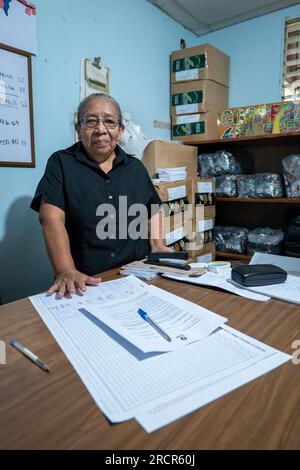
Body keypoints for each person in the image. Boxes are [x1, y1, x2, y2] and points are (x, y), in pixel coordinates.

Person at [31, 93, 171, 297]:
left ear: (120, 130)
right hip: (85, 281)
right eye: (90, 122)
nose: (100, 130)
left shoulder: (136, 168)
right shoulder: (61, 163)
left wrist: (158, 244)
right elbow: (51, 217)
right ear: (78, 129)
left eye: (109, 122)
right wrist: (65, 269)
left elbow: (153, 208)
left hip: (136, 276)